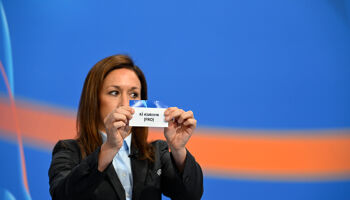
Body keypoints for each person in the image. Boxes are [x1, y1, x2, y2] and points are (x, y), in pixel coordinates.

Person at [48, 55, 203, 200]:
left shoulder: (156, 154)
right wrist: (109, 147)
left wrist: (178, 150)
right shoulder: (69, 150)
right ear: (94, 100)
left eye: (134, 95)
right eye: (114, 92)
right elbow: (62, 195)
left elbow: (190, 195)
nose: (125, 103)